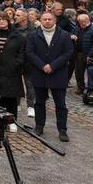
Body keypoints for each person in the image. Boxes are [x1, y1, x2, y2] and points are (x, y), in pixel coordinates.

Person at [26, 10, 73, 142]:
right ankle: (39, 126)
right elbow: (30, 53)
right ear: (40, 20)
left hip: (58, 74)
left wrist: (52, 66)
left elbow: (68, 53)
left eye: (49, 19)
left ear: (55, 20)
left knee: (61, 104)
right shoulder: (33, 35)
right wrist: (42, 65)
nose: (47, 21)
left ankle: (62, 130)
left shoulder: (64, 35)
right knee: (39, 102)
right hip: (39, 73)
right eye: (44, 19)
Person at [74, 13, 93, 96]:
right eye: (79, 21)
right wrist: (72, 35)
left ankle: (91, 89)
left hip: (90, 54)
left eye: (81, 21)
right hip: (78, 53)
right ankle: (80, 88)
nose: (80, 23)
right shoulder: (78, 28)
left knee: (90, 71)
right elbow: (72, 33)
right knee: (78, 72)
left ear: (86, 20)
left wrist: (90, 55)